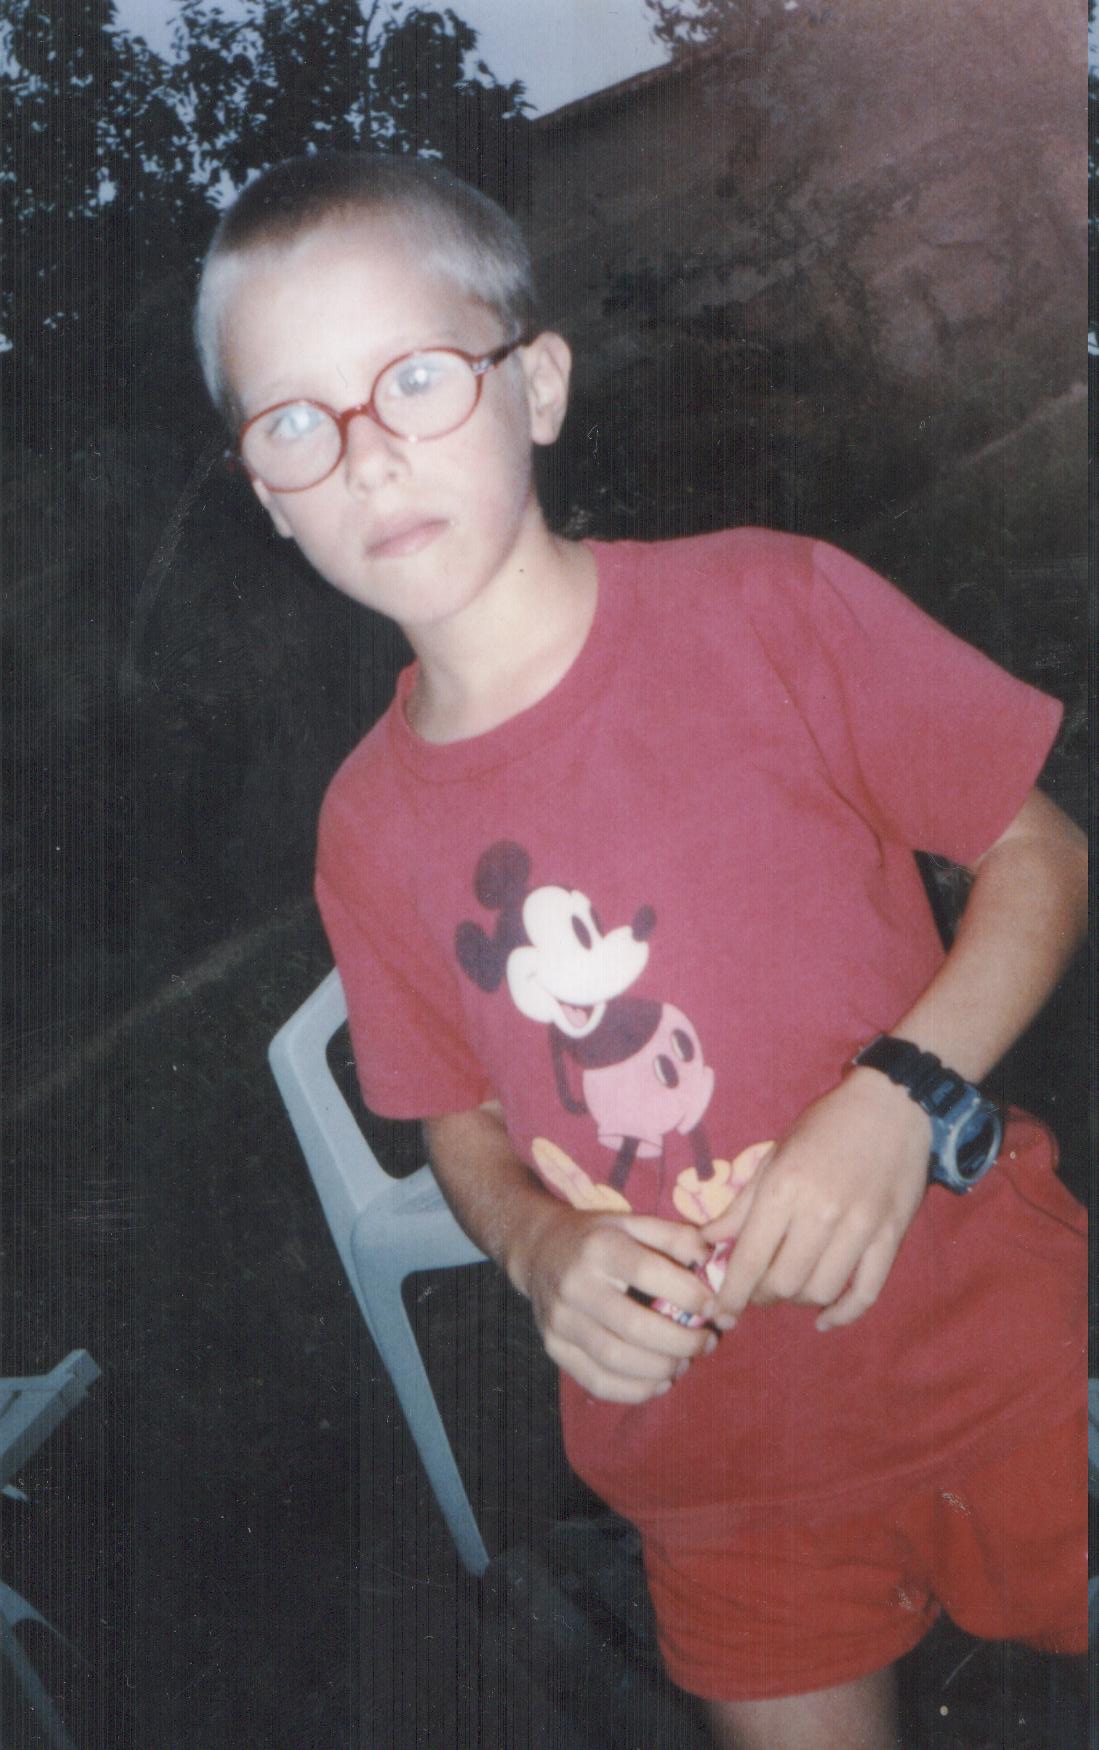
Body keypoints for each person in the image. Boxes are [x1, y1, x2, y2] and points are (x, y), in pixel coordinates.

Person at [194, 151, 1088, 1748]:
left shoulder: (770, 605)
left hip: (998, 1353)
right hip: (714, 1473)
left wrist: (899, 1094)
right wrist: (540, 1250)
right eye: (295, 422)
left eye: (415, 377)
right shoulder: (363, 828)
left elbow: (1042, 854)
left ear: (536, 385)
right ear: (267, 491)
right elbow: (455, 1117)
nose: (367, 451)